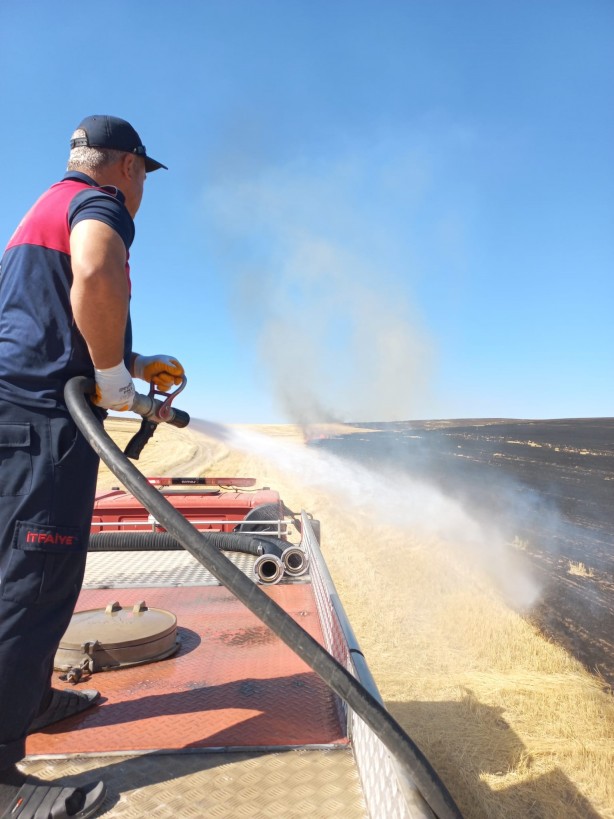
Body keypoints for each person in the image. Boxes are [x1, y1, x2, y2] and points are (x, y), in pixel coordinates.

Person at [0, 115, 185, 819]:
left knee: (23, 576)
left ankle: (31, 694)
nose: (141, 192)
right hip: (45, 428)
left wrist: (130, 368)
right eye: (144, 179)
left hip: (20, 420)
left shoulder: (34, 214)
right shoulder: (97, 202)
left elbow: (42, 323)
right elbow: (98, 272)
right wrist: (110, 377)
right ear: (130, 167)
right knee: (30, 581)